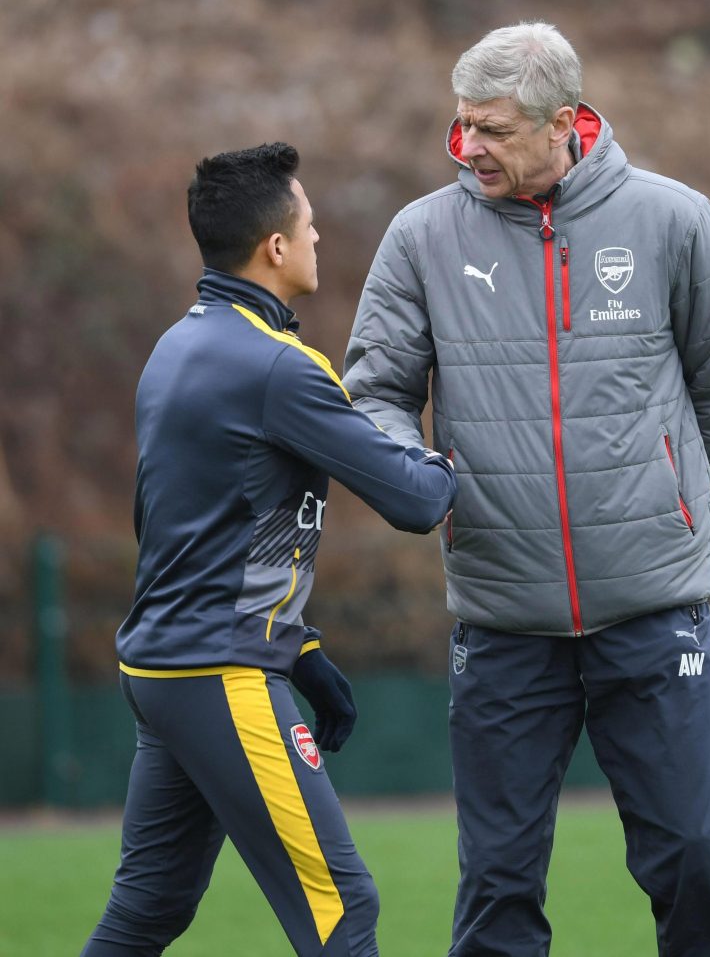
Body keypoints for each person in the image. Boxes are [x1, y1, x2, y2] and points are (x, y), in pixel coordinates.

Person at [343, 21, 710, 957]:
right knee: (497, 884)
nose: (467, 148)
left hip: (653, 612)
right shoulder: (419, 237)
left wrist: (663, 497)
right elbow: (374, 392)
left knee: (693, 851)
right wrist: (416, 479)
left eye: (490, 129)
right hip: (500, 619)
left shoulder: (673, 218)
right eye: (459, 126)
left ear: (563, 122)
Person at [80, 142, 456, 957]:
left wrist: (302, 646)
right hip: (220, 673)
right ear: (275, 247)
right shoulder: (278, 367)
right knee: (343, 911)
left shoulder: (174, 348)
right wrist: (453, 457)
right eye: (311, 225)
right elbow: (415, 500)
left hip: (162, 672)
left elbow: (188, 532)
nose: (320, 239)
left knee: (146, 912)